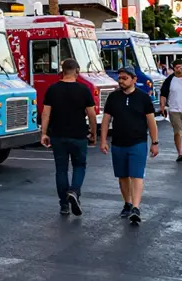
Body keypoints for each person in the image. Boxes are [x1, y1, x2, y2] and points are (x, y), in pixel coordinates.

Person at [100, 67, 159, 224]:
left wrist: (155, 142)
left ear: (134, 80)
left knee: (137, 175)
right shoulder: (113, 97)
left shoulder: (143, 98)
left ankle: (136, 208)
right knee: (123, 176)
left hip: (138, 143)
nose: (121, 81)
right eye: (120, 78)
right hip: (118, 143)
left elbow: (151, 122)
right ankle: (127, 203)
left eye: (124, 78)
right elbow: (106, 120)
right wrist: (103, 140)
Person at [40, 58, 97, 216]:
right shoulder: (84, 90)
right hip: (78, 135)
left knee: (61, 170)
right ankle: (74, 190)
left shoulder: (52, 89)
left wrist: (44, 133)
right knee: (79, 166)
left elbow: (46, 113)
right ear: (77, 71)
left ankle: (64, 205)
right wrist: (94, 132)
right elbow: (91, 114)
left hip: (58, 135)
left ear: (62, 71)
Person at [159, 58, 182, 161]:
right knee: (178, 132)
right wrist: (162, 107)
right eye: (178, 67)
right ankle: (180, 153)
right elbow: (163, 95)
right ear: (174, 68)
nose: (180, 69)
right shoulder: (169, 80)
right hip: (174, 110)